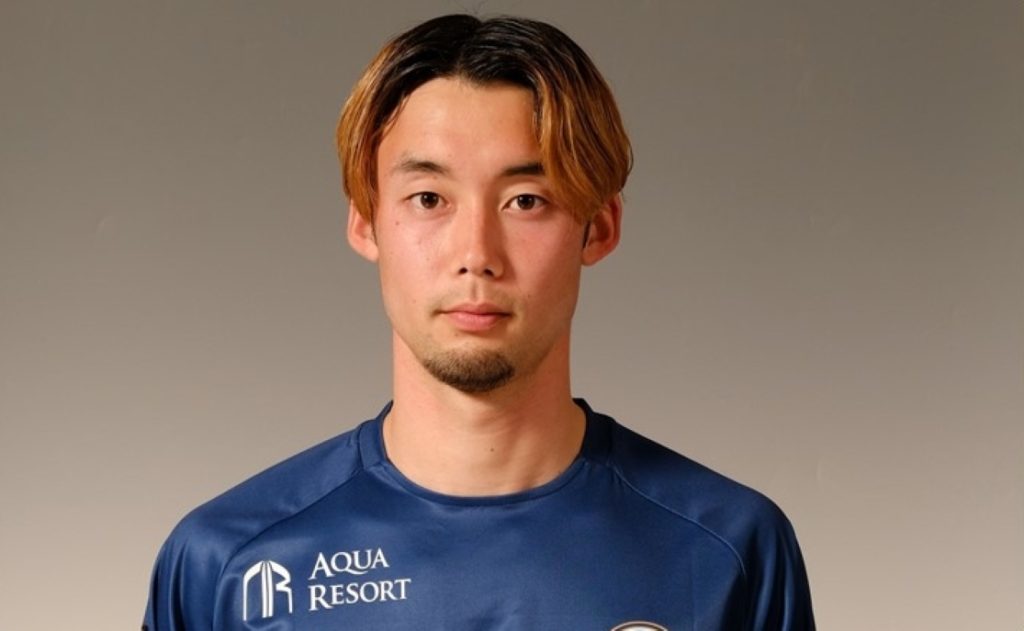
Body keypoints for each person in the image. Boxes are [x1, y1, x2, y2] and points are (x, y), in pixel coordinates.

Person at [143, 14, 814, 630]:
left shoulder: (728, 549)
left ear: (599, 227)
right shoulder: (226, 564)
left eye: (526, 200)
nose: (476, 255)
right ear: (366, 221)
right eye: (428, 198)